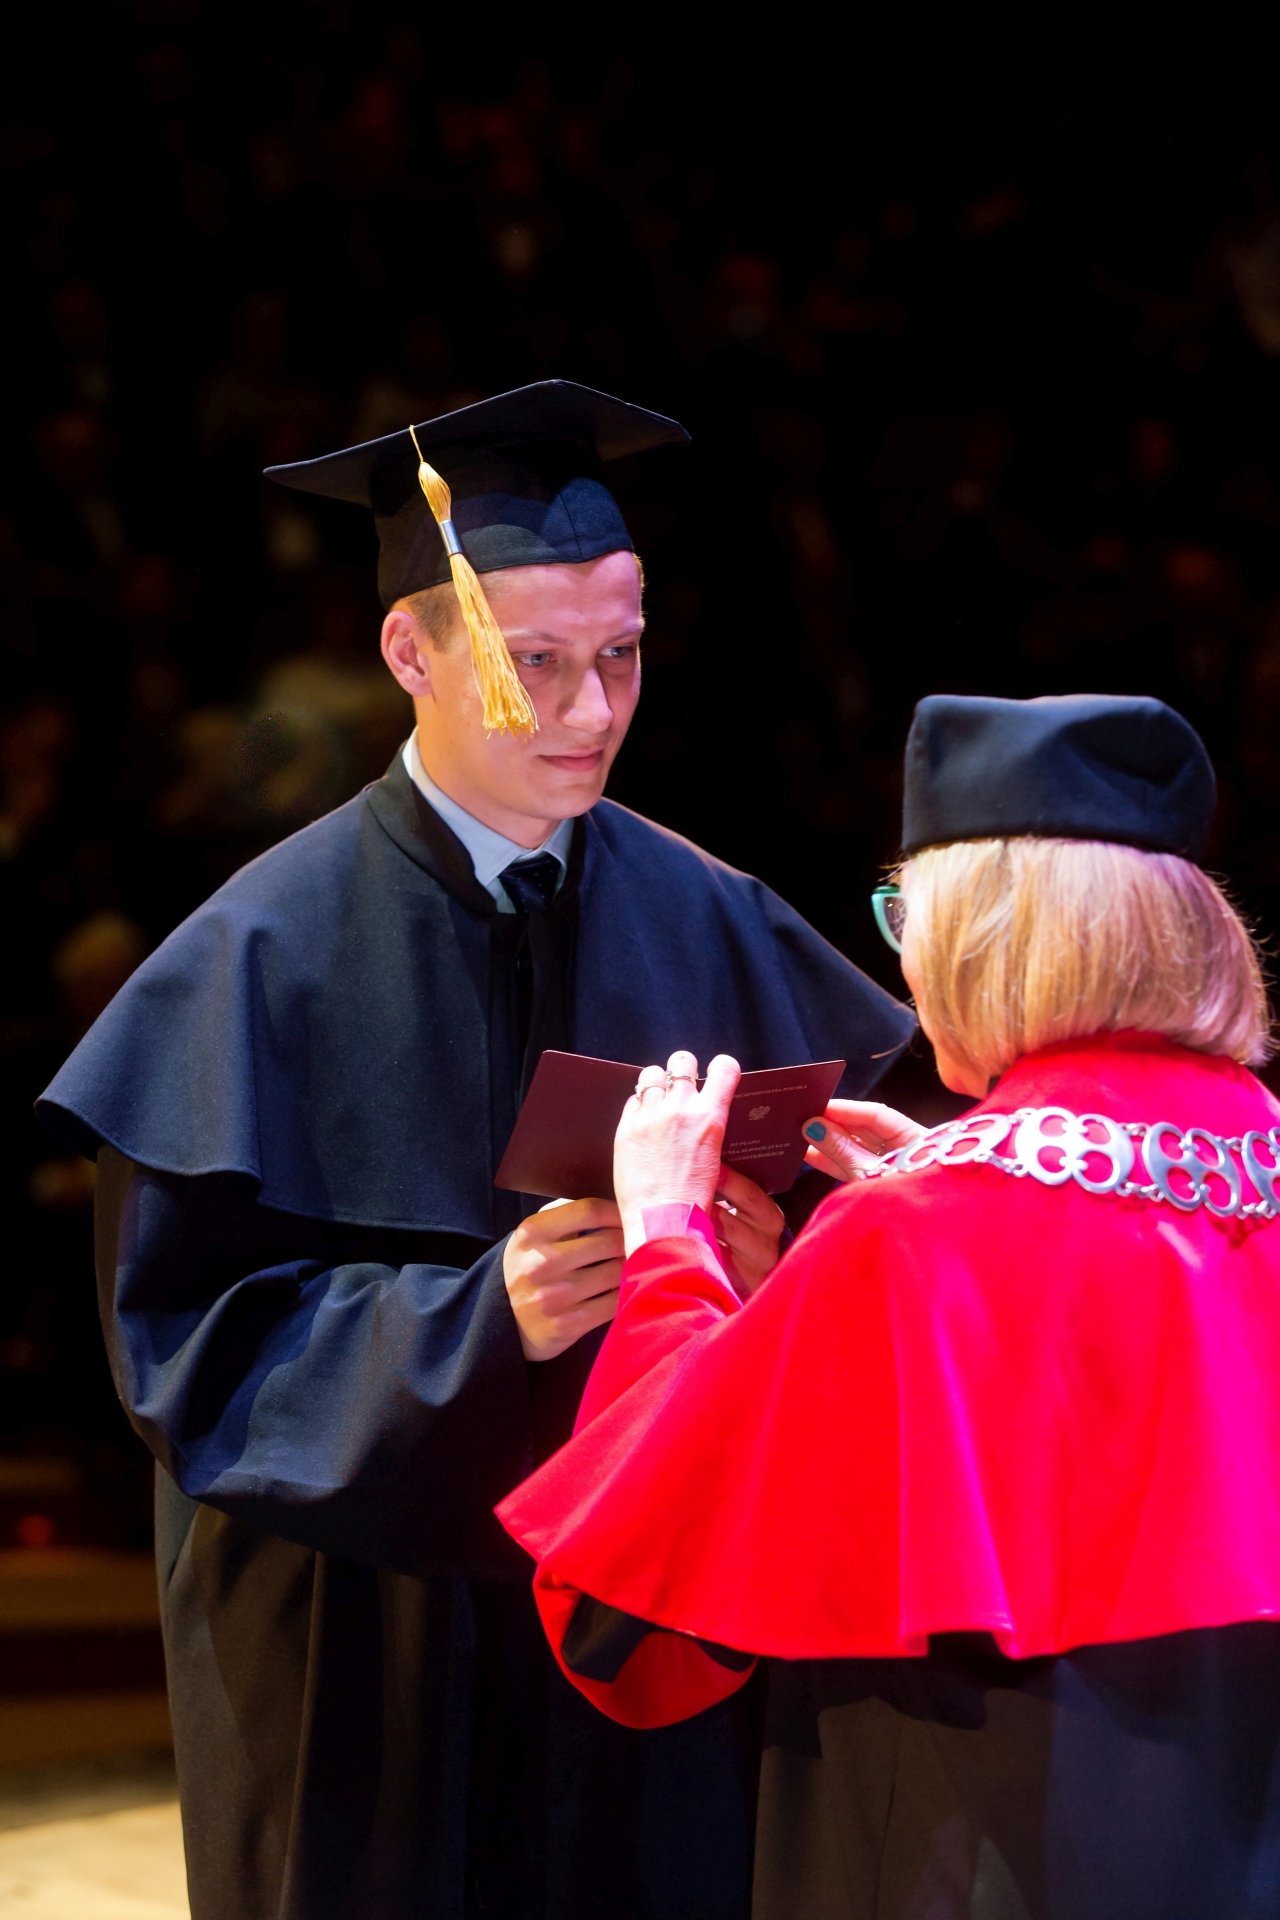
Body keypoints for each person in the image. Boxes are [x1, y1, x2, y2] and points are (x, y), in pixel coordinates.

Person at [36, 380, 913, 1920]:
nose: (591, 713)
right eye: (536, 663)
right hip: (365, 1636)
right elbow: (183, 1351)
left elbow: (856, 1303)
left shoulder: (721, 919)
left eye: (620, 655)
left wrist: (775, 1265)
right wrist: (472, 1319)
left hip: (645, 1623)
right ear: (410, 653)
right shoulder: (257, 956)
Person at [499, 692, 1280, 1920]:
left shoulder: (916, 1229)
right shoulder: (1246, 1163)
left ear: (984, 941)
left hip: (985, 1831)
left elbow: (646, 1553)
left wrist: (664, 1234)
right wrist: (929, 1193)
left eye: (907, 917)